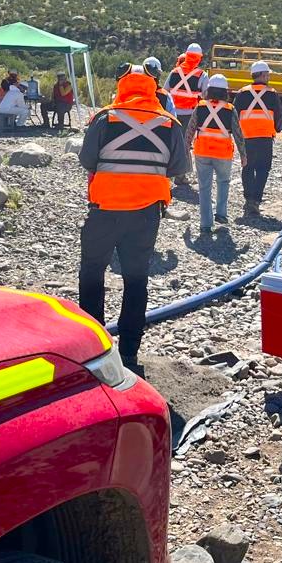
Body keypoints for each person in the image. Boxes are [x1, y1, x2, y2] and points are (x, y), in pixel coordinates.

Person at [77, 66, 190, 369]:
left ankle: (94, 348)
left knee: (92, 273)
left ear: (122, 86)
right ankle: (129, 351)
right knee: (136, 279)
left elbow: (87, 160)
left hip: (104, 209)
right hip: (145, 213)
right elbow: (179, 167)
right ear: (153, 87)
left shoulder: (105, 118)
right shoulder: (169, 123)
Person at [186, 74, 247, 237]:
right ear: (225, 91)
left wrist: (185, 149)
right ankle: (221, 213)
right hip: (223, 153)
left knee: (204, 187)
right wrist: (243, 155)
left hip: (202, 152)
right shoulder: (230, 109)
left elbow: (190, 129)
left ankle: (206, 224)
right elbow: (238, 133)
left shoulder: (200, 106)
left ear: (209, 90)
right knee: (223, 182)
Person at [234, 60, 282, 218]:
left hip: (246, 137)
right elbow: (279, 116)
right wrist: (277, 128)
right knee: (263, 169)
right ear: (261, 75)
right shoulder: (272, 93)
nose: (268, 77)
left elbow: (234, 115)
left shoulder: (242, 93)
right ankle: (255, 201)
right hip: (265, 138)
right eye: (267, 74)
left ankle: (249, 199)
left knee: (247, 168)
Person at [165, 44, 206, 185]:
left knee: (173, 143)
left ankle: (171, 173)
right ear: (199, 58)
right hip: (190, 114)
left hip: (173, 114)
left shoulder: (174, 72)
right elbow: (207, 96)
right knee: (185, 144)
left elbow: (165, 91)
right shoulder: (201, 75)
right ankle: (180, 176)